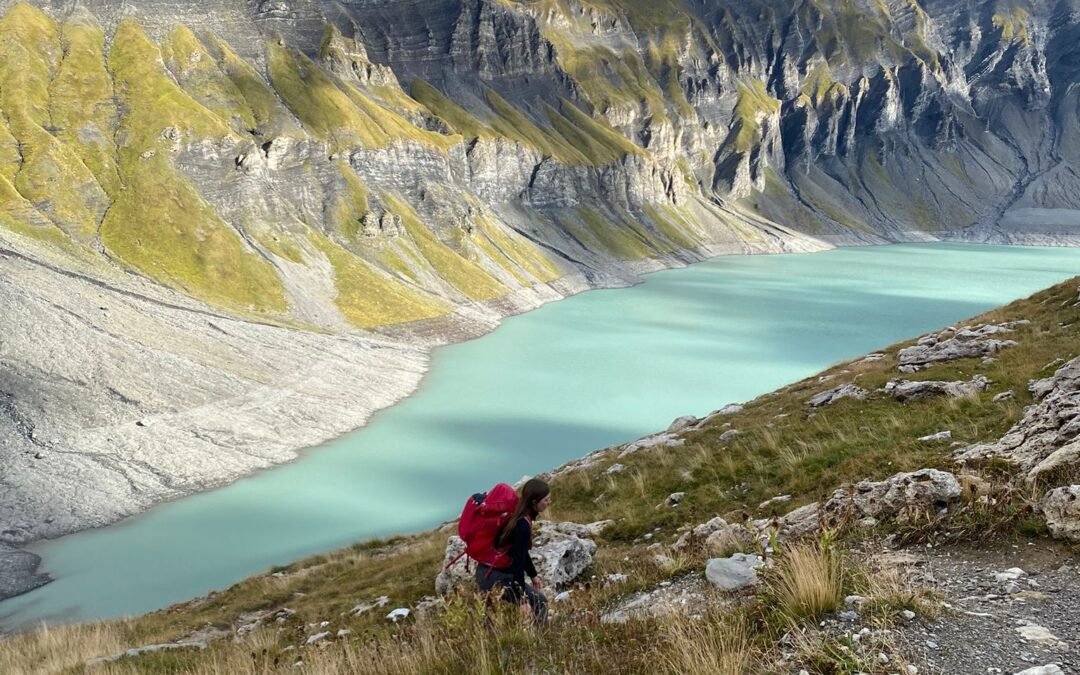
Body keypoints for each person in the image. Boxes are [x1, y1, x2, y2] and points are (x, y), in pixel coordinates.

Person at [475, 478, 550, 624]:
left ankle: (489, 644)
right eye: (546, 500)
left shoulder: (517, 515)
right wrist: (522, 599)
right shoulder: (523, 525)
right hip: (496, 577)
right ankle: (541, 642)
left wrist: (533, 575)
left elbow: (520, 551)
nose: (549, 503)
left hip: (485, 571)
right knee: (541, 603)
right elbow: (517, 564)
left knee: (490, 620)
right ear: (535, 502)